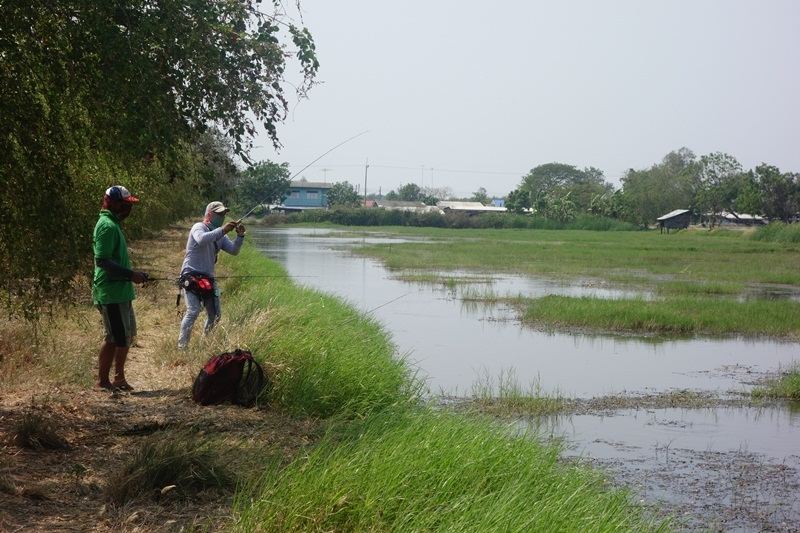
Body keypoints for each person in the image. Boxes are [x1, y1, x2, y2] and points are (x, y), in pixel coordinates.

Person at [92, 185, 149, 391]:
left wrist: (134, 274)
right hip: (111, 292)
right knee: (115, 338)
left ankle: (118, 379)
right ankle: (104, 381)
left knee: (123, 337)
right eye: (125, 205)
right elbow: (103, 261)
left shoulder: (113, 224)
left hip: (121, 292)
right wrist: (130, 275)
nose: (128, 210)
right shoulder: (106, 226)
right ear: (113, 203)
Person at [177, 201, 245, 348]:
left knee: (215, 315)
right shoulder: (198, 227)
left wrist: (240, 236)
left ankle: (204, 345)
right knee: (193, 310)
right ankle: (182, 348)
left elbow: (233, 250)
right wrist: (223, 230)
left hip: (208, 278)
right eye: (219, 214)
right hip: (191, 275)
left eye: (224, 214)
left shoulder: (221, 235)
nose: (222, 217)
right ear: (209, 214)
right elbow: (202, 239)